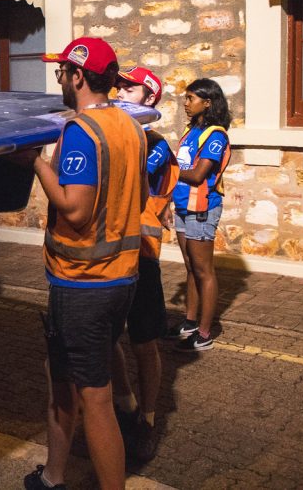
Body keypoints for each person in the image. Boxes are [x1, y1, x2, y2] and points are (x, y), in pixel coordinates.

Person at [19, 37, 147, 490]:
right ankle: (54, 476)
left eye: (61, 72)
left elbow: (74, 208)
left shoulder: (82, 131)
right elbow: (137, 195)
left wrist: (36, 161)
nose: (59, 79)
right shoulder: (131, 127)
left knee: (95, 400)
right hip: (119, 280)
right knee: (63, 381)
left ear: (77, 76)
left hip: (84, 286)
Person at [111, 66, 179, 462]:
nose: (120, 91)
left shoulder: (154, 145)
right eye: (118, 84)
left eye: (130, 88)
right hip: (107, 256)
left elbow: (126, 179)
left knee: (143, 343)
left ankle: (148, 420)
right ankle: (126, 403)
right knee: (105, 340)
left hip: (142, 257)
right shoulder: (113, 134)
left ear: (150, 99)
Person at [167, 78, 232, 352]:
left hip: (202, 209)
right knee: (190, 267)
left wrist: (165, 167)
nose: (186, 103)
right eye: (186, 97)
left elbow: (197, 174)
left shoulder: (215, 135)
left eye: (191, 98)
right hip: (183, 207)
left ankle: (204, 333)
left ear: (207, 102)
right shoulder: (190, 131)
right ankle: (190, 321)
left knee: (204, 271)